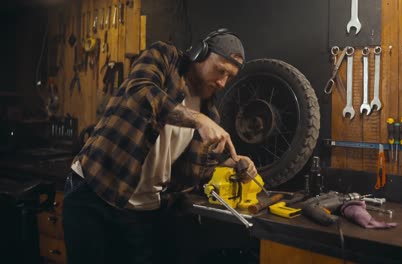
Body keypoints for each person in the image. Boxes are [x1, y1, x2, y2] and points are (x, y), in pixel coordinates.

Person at [62, 28, 257, 264]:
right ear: (199, 53)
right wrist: (196, 119)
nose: (222, 82)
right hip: (95, 192)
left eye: (230, 77)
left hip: (142, 212)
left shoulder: (210, 113)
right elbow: (140, 94)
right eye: (220, 71)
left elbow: (198, 169)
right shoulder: (165, 58)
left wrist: (234, 164)